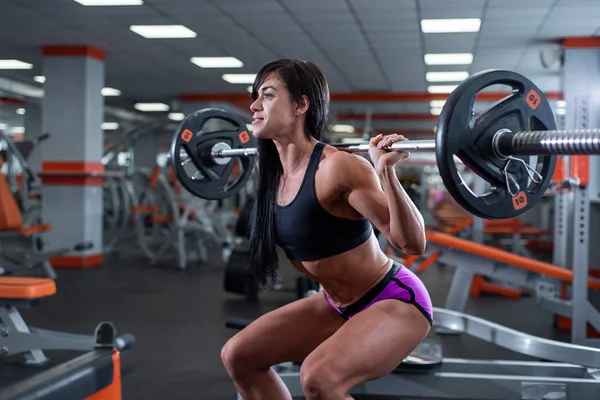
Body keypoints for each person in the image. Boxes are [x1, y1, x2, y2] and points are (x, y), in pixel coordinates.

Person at [221, 59, 433, 400]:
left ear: (301, 105)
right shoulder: (272, 178)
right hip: (334, 303)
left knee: (319, 379)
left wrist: (385, 172)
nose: (254, 106)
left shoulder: (339, 168)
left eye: (268, 95)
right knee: (238, 356)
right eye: (255, 97)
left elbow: (411, 242)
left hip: (392, 299)